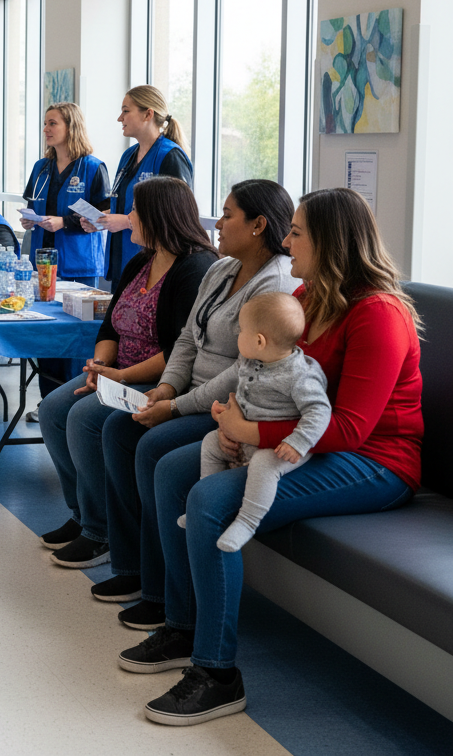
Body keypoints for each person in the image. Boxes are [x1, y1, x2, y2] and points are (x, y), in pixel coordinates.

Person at [129, 188, 423, 727]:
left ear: (330, 242)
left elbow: (351, 429)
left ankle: (217, 673)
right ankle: (184, 625)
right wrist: (230, 418)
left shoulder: (378, 314)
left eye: (298, 232)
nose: (287, 242)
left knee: (209, 500)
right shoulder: (310, 296)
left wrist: (255, 433)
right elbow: (263, 372)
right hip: (306, 443)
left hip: (377, 462)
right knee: (172, 470)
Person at [91, 179, 298, 611]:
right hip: (186, 390)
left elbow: (245, 371)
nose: (217, 224)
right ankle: (135, 568)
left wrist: (175, 406)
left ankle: (166, 594)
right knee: (118, 429)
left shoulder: (275, 284)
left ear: (259, 225)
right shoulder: (222, 269)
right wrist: (166, 388)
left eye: (227, 215)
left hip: (228, 404)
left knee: (153, 450)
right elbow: (187, 338)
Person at [37, 176, 217, 568]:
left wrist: (121, 377)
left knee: (84, 419)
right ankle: (83, 512)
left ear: (159, 216)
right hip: (118, 370)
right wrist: (101, 365)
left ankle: (101, 531)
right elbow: (110, 328)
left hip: (159, 379)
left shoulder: (195, 268)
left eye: (135, 210)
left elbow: (180, 350)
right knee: (53, 409)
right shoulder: (141, 261)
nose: (129, 217)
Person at [177, 292, 330, 552]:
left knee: (263, 464)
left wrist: (298, 442)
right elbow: (246, 396)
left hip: (284, 446)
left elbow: (319, 410)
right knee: (210, 443)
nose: (238, 335)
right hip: (248, 437)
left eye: (241, 331)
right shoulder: (251, 361)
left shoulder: (300, 375)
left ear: (259, 341)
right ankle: (207, 492)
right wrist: (226, 412)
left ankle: (248, 521)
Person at [21, 102, 111, 412]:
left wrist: (65, 222)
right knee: (47, 334)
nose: (46, 129)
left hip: (78, 263)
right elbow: (32, 204)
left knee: (75, 339)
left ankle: (73, 406)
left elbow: (103, 215)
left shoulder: (93, 167)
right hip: (43, 262)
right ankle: (47, 403)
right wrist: (29, 219)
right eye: (45, 123)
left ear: (71, 127)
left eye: (52, 123)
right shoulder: (41, 168)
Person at [84, 86, 193, 290]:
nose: (120, 118)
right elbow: (125, 204)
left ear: (148, 114)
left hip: (152, 266)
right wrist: (102, 219)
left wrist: (126, 222)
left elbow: (176, 217)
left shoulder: (170, 157)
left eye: (126, 111)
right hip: (122, 263)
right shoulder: (128, 156)